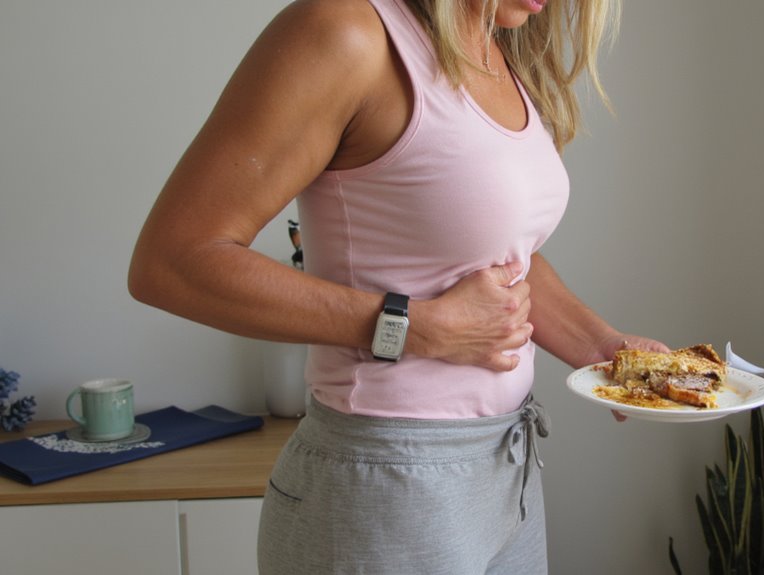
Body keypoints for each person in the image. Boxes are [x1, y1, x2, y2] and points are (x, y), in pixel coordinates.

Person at [128, 0, 668, 572]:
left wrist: (603, 348)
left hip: (507, 468)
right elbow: (173, 261)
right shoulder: (345, 32)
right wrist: (414, 328)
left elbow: (504, 259)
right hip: (384, 482)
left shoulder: (497, 49)